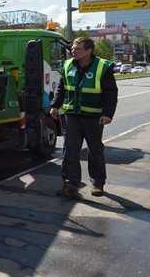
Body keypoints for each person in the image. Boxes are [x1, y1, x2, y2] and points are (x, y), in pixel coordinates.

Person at [50, 36, 118, 199]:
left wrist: (107, 114)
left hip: (93, 116)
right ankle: (70, 184)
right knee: (70, 150)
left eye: (78, 48)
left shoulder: (102, 67)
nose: (73, 51)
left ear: (89, 51)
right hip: (72, 115)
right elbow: (62, 88)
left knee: (95, 150)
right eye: (72, 48)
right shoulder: (67, 65)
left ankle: (97, 183)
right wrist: (55, 105)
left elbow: (111, 93)